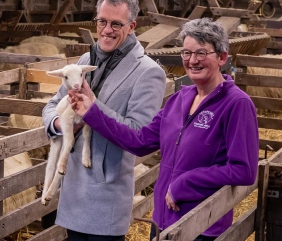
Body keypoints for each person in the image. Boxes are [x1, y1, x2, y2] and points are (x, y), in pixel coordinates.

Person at [69, 18, 259, 240]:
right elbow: (139, 142)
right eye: (186, 53)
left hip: (202, 225)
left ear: (222, 57)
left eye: (201, 53)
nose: (192, 61)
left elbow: (243, 170)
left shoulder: (236, 103)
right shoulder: (179, 99)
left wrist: (184, 183)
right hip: (162, 223)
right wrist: (92, 111)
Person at [42, 0, 166, 240]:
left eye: (116, 24)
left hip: (105, 194)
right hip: (73, 189)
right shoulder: (85, 59)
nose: (107, 30)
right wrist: (61, 124)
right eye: (102, 21)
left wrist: (92, 111)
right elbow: (52, 105)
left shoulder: (148, 72)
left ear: (132, 26)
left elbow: (139, 133)